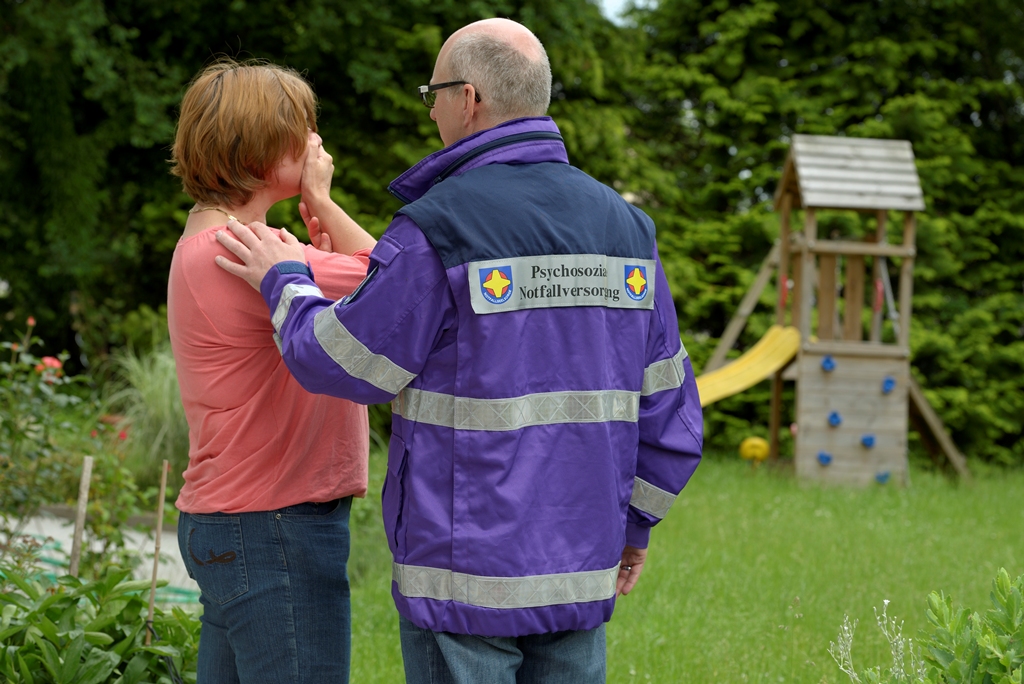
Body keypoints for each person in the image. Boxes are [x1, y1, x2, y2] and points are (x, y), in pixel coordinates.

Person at [214, 19, 702, 683]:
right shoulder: (626, 230)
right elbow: (672, 421)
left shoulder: (443, 225)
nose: (433, 107)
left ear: (467, 99)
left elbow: (341, 360)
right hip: (580, 577)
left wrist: (284, 278)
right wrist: (633, 527)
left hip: (460, 583)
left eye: (433, 93)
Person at [166, 59, 377, 684]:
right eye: (302, 130)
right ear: (259, 151)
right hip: (274, 526)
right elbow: (397, 282)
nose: (316, 143)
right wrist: (322, 199)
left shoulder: (232, 246)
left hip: (238, 522)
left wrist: (317, 241)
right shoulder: (244, 253)